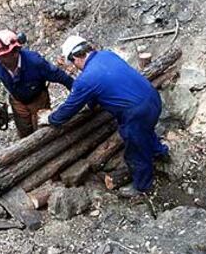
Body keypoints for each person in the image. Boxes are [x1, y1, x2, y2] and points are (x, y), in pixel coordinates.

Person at [42, 35, 169, 198]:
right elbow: (109, 82)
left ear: (75, 58)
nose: (75, 67)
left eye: (73, 63)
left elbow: (69, 108)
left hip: (137, 113)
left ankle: (142, 187)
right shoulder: (107, 55)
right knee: (145, 131)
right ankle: (160, 152)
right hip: (152, 97)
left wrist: (51, 119)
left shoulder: (85, 79)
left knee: (135, 150)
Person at [0, 29, 74, 138]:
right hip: (18, 101)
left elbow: (59, 75)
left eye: (3, 56)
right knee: (24, 132)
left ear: (15, 53)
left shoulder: (35, 62)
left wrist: (77, 90)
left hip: (38, 99)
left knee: (43, 131)